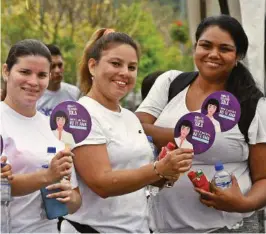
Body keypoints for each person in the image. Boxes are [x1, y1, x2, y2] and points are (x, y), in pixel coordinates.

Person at [136, 15, 266, 233]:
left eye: (224, 49)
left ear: (238, 56)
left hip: (230, 227)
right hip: (163, 227)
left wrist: (243, 203)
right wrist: (190, 136)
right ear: (195, 47)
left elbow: (263, 177)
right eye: (206, 45)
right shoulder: (170, 83)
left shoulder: (253, 105)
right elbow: (137, 127)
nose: (213, 54)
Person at [61, 29, 193, 233]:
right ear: (93, 66)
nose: (124, 73)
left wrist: (167, 174)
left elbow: (140, 175)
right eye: (116, 64)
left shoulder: (131, 117)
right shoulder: (80, 114)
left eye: (132, 67)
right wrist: (158, 169)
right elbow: (101, 183)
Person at [0, 39, 81, 233]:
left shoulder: (56, 128)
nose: (34, 82)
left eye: (42, 75)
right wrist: (46, 176)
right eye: (25, 72)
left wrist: (69, 197)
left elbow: (76, 201)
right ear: (6, 71)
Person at [37, 44, 80, 116]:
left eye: (60, 65)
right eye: (52, 66)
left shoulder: (75, 93)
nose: (57, 70)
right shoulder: (35, 96)